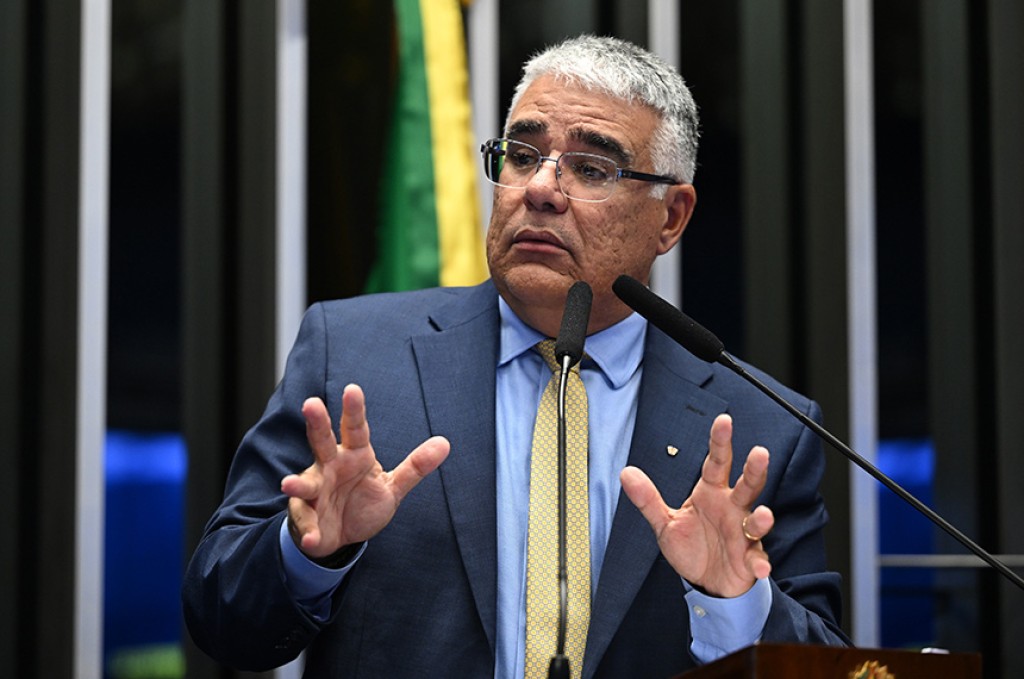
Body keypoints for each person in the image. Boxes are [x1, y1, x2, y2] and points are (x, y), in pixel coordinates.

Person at [183, 34, 850, 678]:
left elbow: (827, 665)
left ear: (671, 216)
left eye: (591, 169)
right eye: (522, 155)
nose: (540, 188)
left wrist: (736, 603)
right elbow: (219, 614)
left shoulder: (763, 430)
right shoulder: (354, 355)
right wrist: (307, 554)